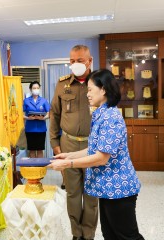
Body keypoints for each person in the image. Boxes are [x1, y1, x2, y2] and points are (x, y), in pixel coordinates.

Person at [48, 69, 144, 240]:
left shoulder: (111, 117)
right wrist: (68, 156)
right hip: (108, 189)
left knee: (128, 236)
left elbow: (101, 158)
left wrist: (67, 165)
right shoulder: (101, 113)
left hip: (119, 190)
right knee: (110, 235)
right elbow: (94, 149)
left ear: (104, 89)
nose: (87, 94)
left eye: (91, 89)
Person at [49, 45, 98, 240]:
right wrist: (55, 144)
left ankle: (89, 235)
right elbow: (54, 114)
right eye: (72, 61)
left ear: (89, 60)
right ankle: (76, 234)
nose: (75, 64)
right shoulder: (62, 84)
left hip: (93, 147)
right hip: (67, 144)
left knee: (92, 196)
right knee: (73, 194)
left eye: (80, 60)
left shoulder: (99, 83)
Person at [23, 81, 50, 158]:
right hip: (30, 129)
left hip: (41, 129)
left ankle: (39, 168)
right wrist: (28, 118)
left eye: (37, 88)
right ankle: (33, 168)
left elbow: (49, 114)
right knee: (31, 150)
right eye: (34, 88)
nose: (36, 89)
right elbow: (20, 115)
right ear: (31, 89)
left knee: (40, 150)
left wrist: (43, 118)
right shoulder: (26, 101)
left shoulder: (44, 101)